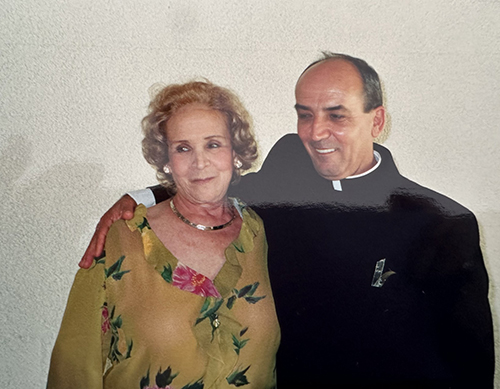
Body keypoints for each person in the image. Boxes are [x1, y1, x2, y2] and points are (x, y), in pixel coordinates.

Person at [79, 53, 494, 388]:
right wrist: (141, 196)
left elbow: (469, 367)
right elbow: (210, 180)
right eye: (305, 115)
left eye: (337, 115)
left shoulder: (441, 223)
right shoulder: (282, 181)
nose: (316, 133)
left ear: (378, 121)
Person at [48, 81, 280, 389]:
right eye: (183, 148)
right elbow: (75, 366)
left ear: (235, 153)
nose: (200, 162)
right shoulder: (121, 239)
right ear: (167, 161)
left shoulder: (260, 233)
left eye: (213, 144)